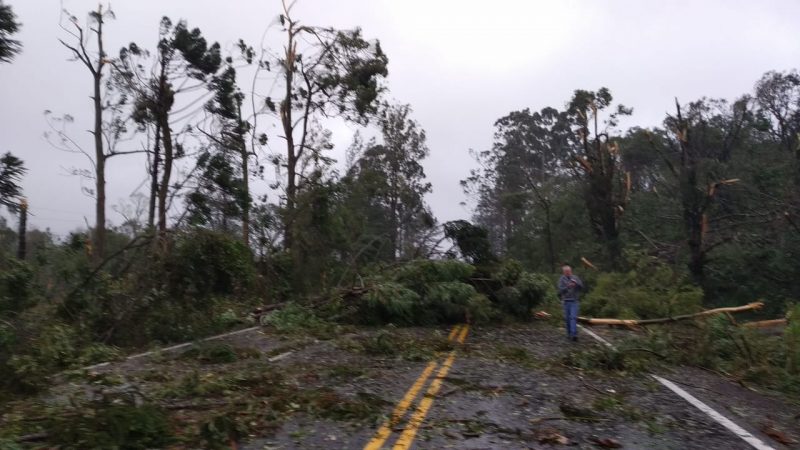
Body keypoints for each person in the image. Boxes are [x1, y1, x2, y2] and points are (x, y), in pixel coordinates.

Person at [558, 265, 584, 341]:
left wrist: (576, 284)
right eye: (566, 272)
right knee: (567, 319)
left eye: (569, 271)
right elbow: (560, 290)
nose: (568, 273)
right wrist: (568, 286)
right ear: (564, 272)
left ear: (571, 271)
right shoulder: (561, 279)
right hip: (566, 301)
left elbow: (581, 287)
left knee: (573, 317)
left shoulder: (575, 277)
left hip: (574, 301)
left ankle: (574, 334)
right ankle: (569, 334)